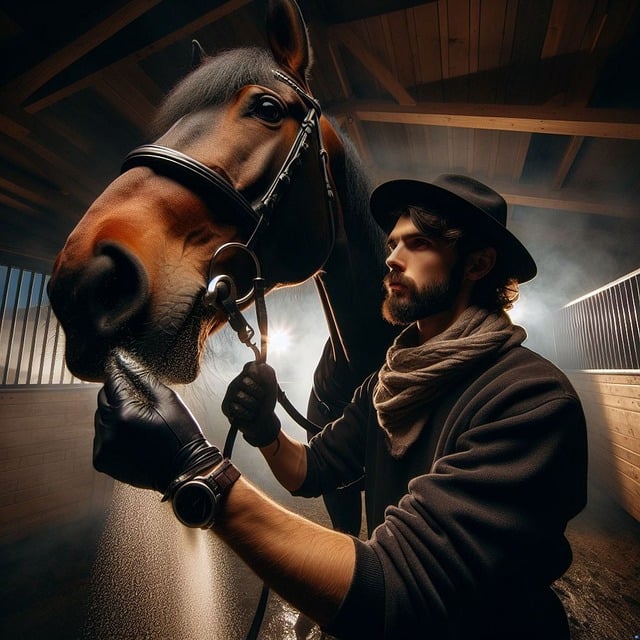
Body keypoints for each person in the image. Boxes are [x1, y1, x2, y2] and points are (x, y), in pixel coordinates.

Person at [93, 174, 588, 639]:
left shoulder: (530, 398)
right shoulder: (388, 383)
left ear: (477, 265)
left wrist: (198, 471)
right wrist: (266, 430)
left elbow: (399, 587)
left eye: (419, 243)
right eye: (392, 243)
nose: (392, 258)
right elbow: (310, 471)